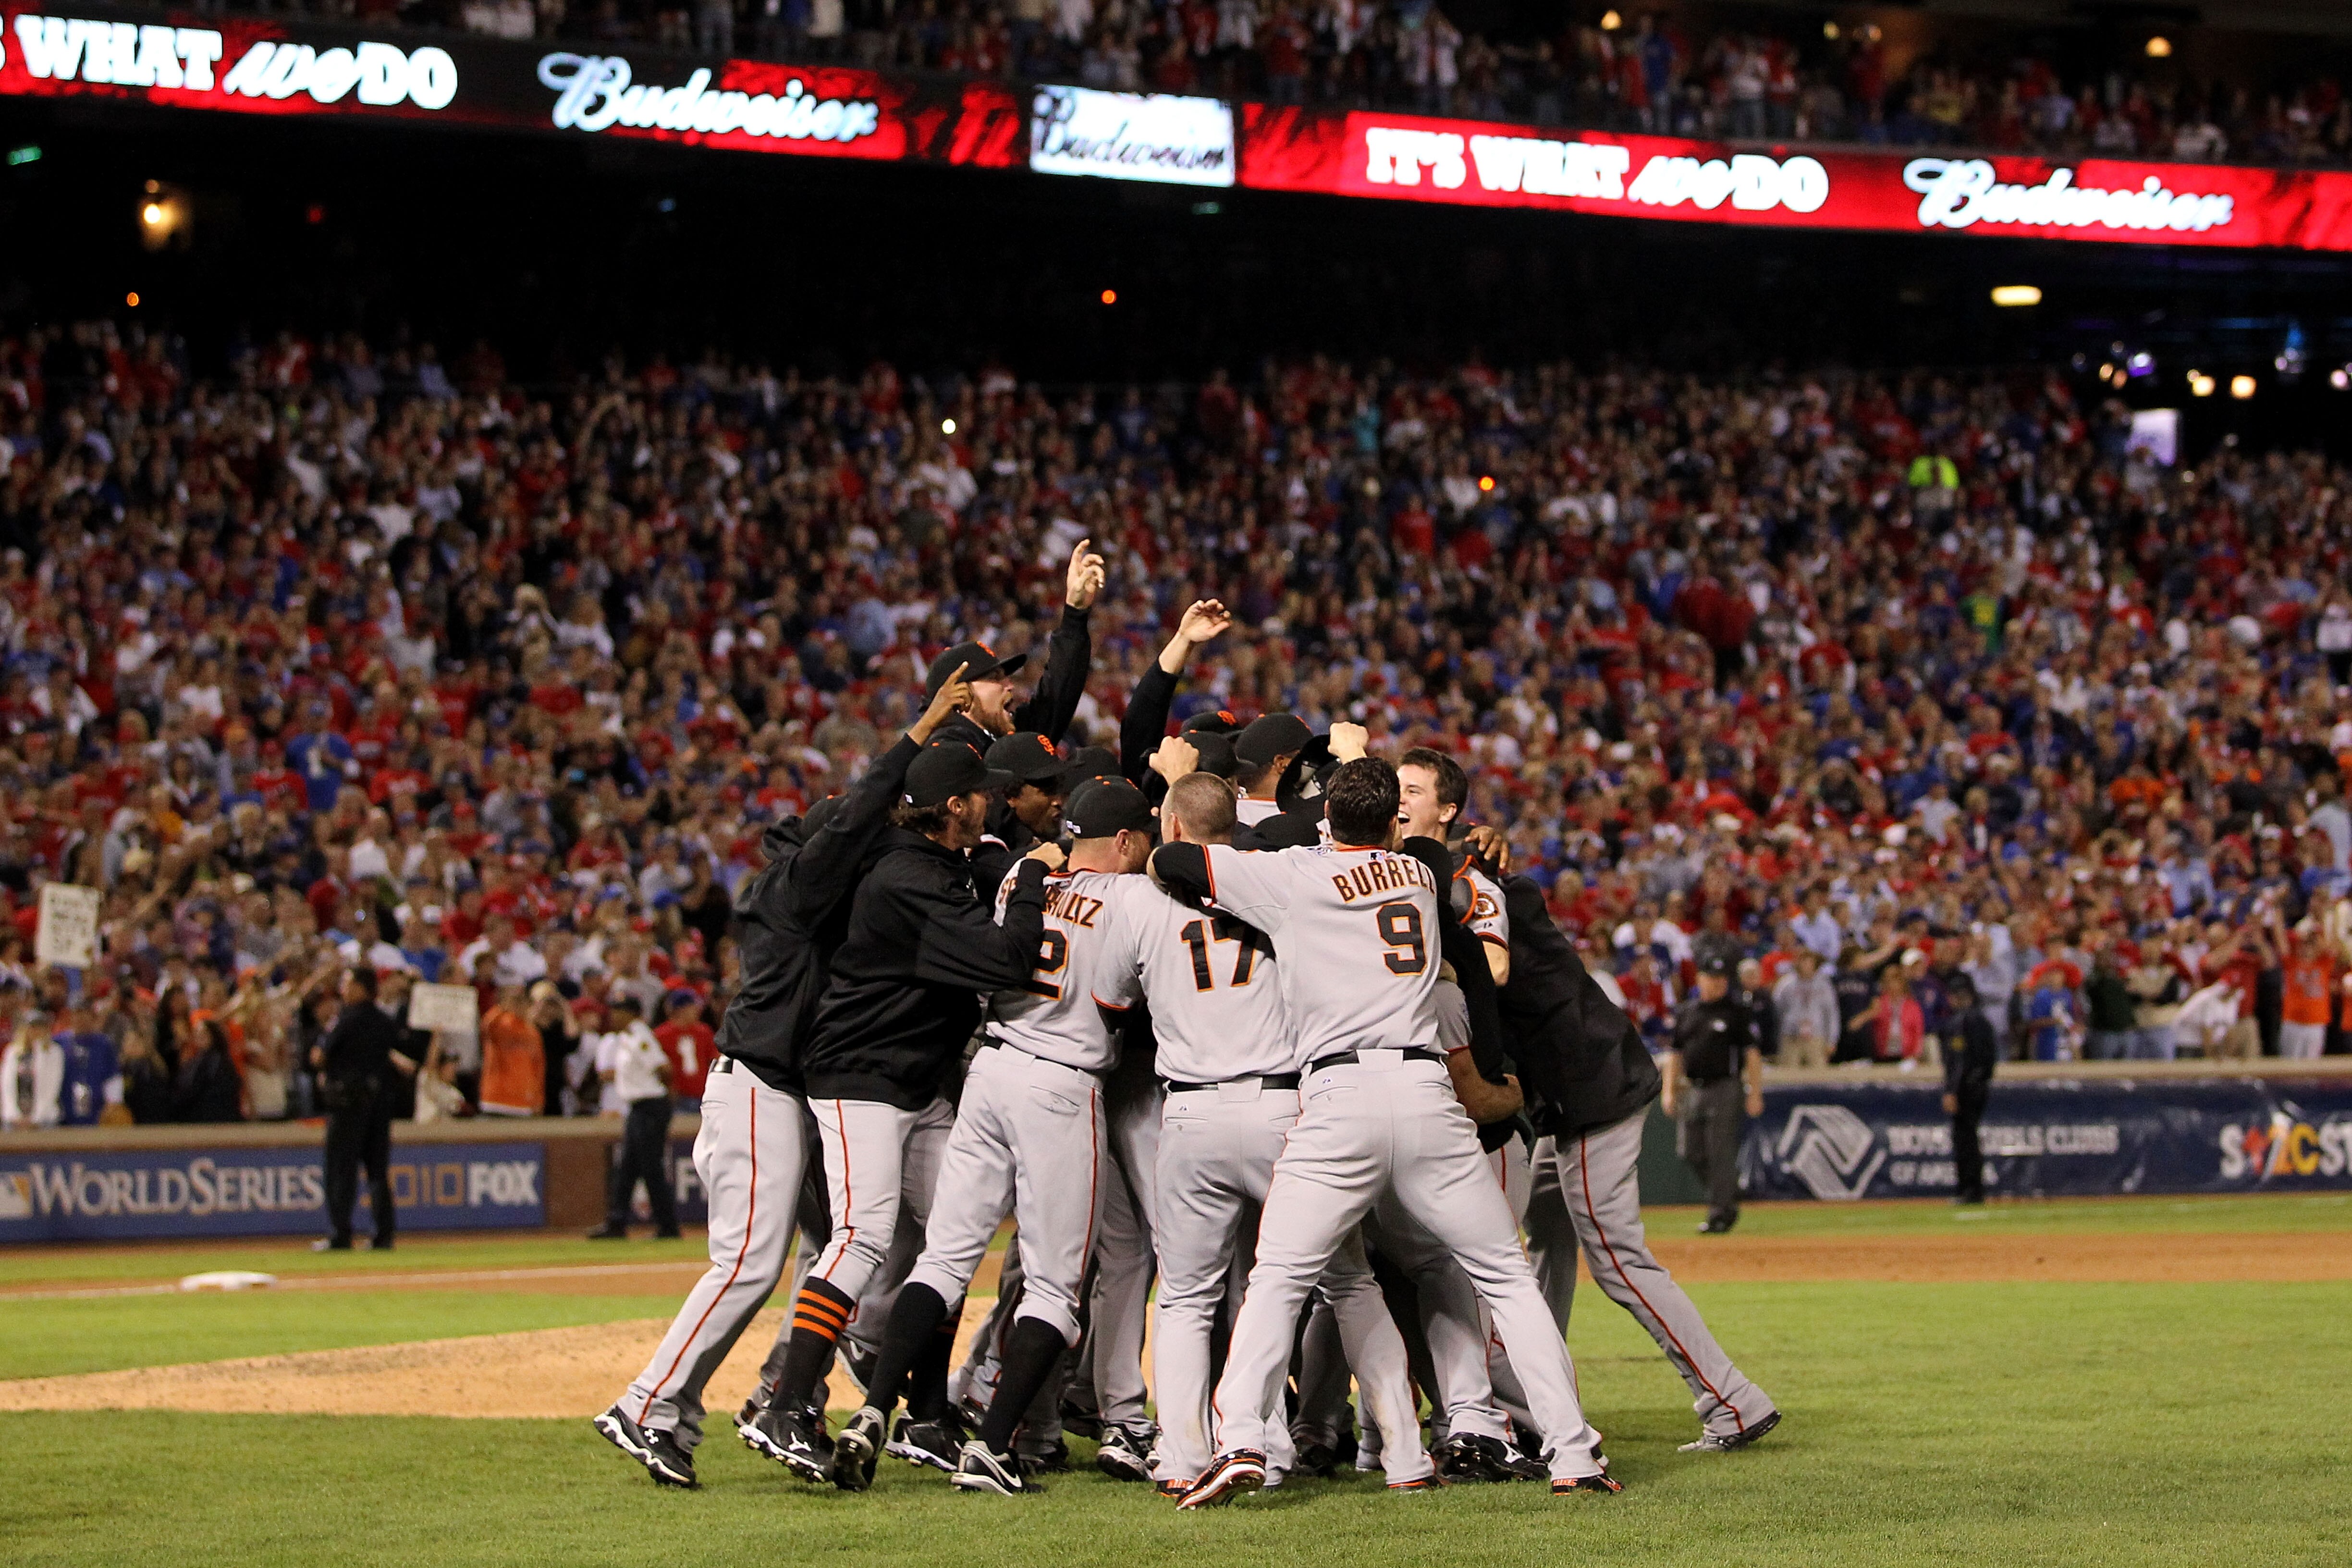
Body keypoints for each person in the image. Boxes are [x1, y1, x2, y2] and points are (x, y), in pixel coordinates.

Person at [1152, 757, 1617, 1505]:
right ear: (1392, 822)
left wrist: (1290, 838)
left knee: (1279, 1277)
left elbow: (1173, 857)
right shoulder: (1421, 874)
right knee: (1504, 1276)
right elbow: (1431, 850)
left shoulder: (1293, 875)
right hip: (1428, 1092)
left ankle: (1239, 1436)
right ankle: (1574, 1455)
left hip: (1337, 1098)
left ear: (1330, 818)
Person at [599, 668, 975, 1492]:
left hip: (790, 1093)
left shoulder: (823, 892)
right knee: (747, 1262)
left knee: (831, 1246)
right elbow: (859, 814)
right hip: (758, 1086)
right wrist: (918, 732)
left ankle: (780, 1395)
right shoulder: (797, 890)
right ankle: (647, 1403)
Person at [757, 738, 1060, 1490]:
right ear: (953, 807)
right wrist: (1028, 879)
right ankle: (787, 1402)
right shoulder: (905, 876)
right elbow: (1005, 961)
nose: (991, 803)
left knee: (951, 1234)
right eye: (979, 795)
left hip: (917, 1084)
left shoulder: (925, 862)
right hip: (861, 1075)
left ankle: (925, 1411)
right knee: (860, 1237)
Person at [1466, 841, 1782, 1454]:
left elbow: (1491, 958)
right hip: (1575, 1092)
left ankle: (1732, 1400)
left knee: (1618, 1259)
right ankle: (1541, 1401)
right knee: (1549, 1236)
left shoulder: (1483, 894)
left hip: (1591, 1093)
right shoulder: (1484, 885)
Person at [311, 968, 417, 1250]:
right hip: (379, 1103)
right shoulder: (384, 1020)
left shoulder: (345, 1019)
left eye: (347, 984)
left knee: (341, 1170)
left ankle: (341, 1234)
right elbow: (394, 1052)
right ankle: (384, 1234)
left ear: (360, 988)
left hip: (348, 1104)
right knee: (377, 1170)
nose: (343, 990)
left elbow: (320, 1056)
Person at [1663, 954, 1761, 1235]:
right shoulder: (1687, 1012)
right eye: (1713, 978)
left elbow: (1751, 1055)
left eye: (1722, 979)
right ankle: (1728, 1193)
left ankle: (1720, 1213)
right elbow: (1675, 1053)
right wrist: (1669, 1091)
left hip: (1725, 1087)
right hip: (1693, 1087)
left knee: (1720, 1151)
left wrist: (1755, 1092)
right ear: (1700, 979)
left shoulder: (1736, 1012)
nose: (1718, 984)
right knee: (1690, 1151)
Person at [589, 994, 680, 1241]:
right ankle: (616, 1223)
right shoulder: (626, 1038)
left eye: (619, 1011)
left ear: (632, 1013)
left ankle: (668, 1227)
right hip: (638, 1108)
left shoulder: (641, 1036)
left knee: (651, 1168)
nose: (613, 1016)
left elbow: (664, 1069)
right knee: (627, 1168)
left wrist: (666, 1100)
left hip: (650, 1105)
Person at [1942, 971, 1998, 1205]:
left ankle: (1969, 1190)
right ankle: (1973, 1189)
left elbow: (1959, 1060)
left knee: (1964, 1138)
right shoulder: (1983, 1020)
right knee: (1970, 1136)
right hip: (1980, 1085)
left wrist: (1952, 1090)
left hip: (1966, 1088)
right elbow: (1991, 1058)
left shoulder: (1961, 1021)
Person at [478, 984, 546, 1117]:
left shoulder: (533, 1033)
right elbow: (487, 1027)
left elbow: (538, 1068)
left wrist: (539, 1099)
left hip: (523, 1102)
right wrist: (502, 1007)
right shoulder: (502, 1023)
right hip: (496, 1100)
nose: (520, 1006)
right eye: (517, 1002)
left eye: (523, 1002)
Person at [1772, 947, 1839, 1069]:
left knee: (1818, 1076)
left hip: (1816, 1037)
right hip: (1791, 1037)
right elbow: (1778, 1011)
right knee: (1789, 1075)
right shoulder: (1786, 984)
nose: (1807, 966)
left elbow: (1831, 1014)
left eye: (1810, 962)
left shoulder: (1824, 985)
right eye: (1803, 961)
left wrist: (1832, 1040)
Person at [2, 1013, 63, 1129]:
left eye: (40, 1027)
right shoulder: (12, 1052)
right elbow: (7, 1086)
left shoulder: (54, 1052)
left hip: (45, 1120)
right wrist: (15, 1116)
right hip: (14, 1121)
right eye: (32, 1027)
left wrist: (36, 1119)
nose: (35, 1031)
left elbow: (52, 1088)